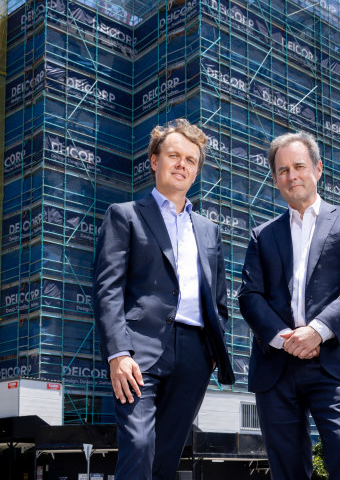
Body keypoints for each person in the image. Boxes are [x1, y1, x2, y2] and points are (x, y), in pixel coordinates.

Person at [93, 118, 235, 480]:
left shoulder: (209, 230)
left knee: (167, 455)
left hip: (194, 355)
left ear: (196, 170)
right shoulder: (125, 216)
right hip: (138, 350)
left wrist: (210, 353)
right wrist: (117, 353)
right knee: (139, 444)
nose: (182, 164)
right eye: (174, 156)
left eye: (191, 160)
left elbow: (218, 299)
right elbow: (108, 289)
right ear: (155, 161)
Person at [238, 131, 340, 480]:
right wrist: (286, 339)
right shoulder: (262, 235)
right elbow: (249, 296)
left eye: (299, 166)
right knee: (286, 470)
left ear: (318, 169)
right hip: (277, 366)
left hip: (334, 364)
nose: (292, 176)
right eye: (282, 170)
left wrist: (316, 332)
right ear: (275, 179)